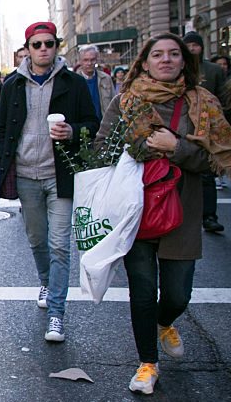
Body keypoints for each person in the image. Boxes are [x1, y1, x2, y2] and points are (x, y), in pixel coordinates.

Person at [93, 33, 231, 394]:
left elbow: (215, 161)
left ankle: (164, 321)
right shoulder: (126, 101)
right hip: (135, 209)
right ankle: (147, 364)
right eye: (158, 55)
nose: (166, 60)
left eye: (173, 54)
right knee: (141, 290)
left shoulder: (204, 103)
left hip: (183, 210)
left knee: (177, 294)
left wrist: (177, 147)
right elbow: (101, 150)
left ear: (185, 61)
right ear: (145, 62)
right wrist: (138, 148)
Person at [0, 21, 99, 343]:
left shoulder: (74, 83)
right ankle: (46, 281)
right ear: (27, 48)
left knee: (59, 245)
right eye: (37, 44)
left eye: (49, 44)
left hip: (61, 175)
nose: (43, 49)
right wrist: (3, 157)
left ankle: (56, 313)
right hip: (26, 175)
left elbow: (92, 124)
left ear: (57, 47)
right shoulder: (12, 85)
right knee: (38, 240)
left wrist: (73, 132)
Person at [183, 31, 228, 234]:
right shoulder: (179, 68)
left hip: (208, 128)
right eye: (189, 45)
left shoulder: (214, 70)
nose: (192, 49)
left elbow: (223, 97)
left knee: (207, 174)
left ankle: (209, 216)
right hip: (184, 129)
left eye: (196, 45)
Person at [75, 45, 116, 119]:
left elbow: (114, 103)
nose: (89, 63)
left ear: (96, 60)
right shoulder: (73, 81)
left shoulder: (106, 79)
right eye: (86, 60)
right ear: (80, 61)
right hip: (83, 126)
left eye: (92, 59)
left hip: (104, 125)